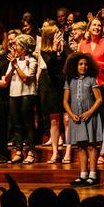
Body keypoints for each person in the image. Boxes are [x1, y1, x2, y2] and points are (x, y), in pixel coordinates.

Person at [63, 52, 103, 186]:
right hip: (76, 117)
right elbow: (65, 101)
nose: (83, 66)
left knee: (91, 145)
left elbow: (99, 99)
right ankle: (83, 175)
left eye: (86, 64)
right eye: (81, 64)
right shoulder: (70, 80)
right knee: (80, 147)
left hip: (89, 117)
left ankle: (92, 174)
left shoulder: (91, 79)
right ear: (75, 65)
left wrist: (89, 112)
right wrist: (71, 114)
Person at [5, 34, 38, 164]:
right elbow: (6, 80)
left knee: (28, 124)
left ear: (24, 48)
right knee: (17, 124)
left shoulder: (32, 61)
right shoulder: (14, 61)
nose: (15, 47)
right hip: (14, 94)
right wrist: (13, 65)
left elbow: (26, 79)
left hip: (27, 95)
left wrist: (16, 66)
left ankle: (31, 152)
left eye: (17, 45)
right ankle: (18, 152)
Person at [39, 24, 68, 163]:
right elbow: (51, 67)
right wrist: (55, 51)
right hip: (52, 88)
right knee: (55, 121)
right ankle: (55, 152)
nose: (59, 34)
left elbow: (66, 65)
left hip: (65, 86)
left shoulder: (65, 48)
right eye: (56, 33)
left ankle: (68, 152)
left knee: (67, 120)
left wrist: (61, 50)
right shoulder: (44, 51)